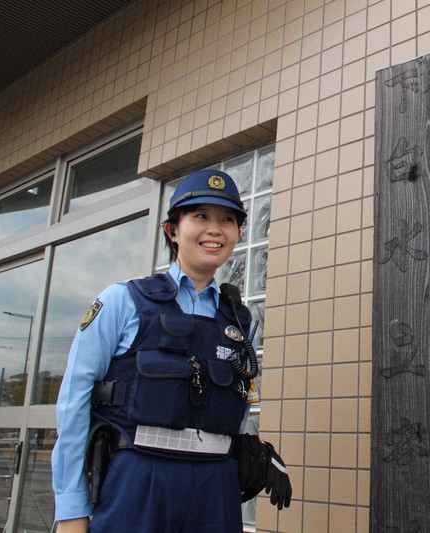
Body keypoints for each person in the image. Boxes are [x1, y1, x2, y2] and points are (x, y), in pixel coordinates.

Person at [51, 169, 291, 532]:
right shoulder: (122, 301)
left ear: (238, 233)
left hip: (215, 489)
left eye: (227, 219)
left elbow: (237, 398)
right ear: (172, 230)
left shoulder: (239, 319)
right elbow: (74, 402)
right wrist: (71, 509)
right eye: (200, 217)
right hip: (138, 480)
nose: (215, 229)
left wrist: (246, 448)